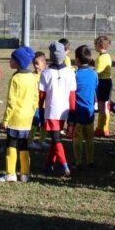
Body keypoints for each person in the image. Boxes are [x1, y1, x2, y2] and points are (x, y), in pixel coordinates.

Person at [0, 46, 39, 183]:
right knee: (24, 145)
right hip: (27, 118)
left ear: (18, 62)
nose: (10, 61)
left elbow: (11, 102)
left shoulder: (15, 78)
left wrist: (5, 119)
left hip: (15, 118)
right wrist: (32, 113)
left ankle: (10, 173)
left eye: (12, 59)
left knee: (11, 144)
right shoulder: (33, 77)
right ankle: (25, 174)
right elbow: (35, 98)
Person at [39, 41, 76, 176]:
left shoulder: (46, 73)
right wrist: (72, 112)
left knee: (56, 139)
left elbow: (41, 95)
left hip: (51, 110)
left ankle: (64, 165)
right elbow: (72, 95)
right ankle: (49, 164)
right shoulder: (71, 73)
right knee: (55, 139)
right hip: (64, 111)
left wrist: (40, 109)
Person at [70, 45, 98, 171]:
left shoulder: (75, 75)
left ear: (77, 59)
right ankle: (91, 161)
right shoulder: (94, 74)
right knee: (90, 139)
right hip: (90, 112)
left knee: (77, 140)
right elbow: (95, 89)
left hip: (77, 112)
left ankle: (78, 162)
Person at [93, 35, 113, 137]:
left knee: (102, 107)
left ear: (100, 46)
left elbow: (97, 72)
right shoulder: (106, 56)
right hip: (106, 82)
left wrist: (89, 73)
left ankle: (102, 129)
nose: (94, 46)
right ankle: (103, 128)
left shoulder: (102, 58)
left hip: (103, 83)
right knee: (104, 106)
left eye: (95, 44)